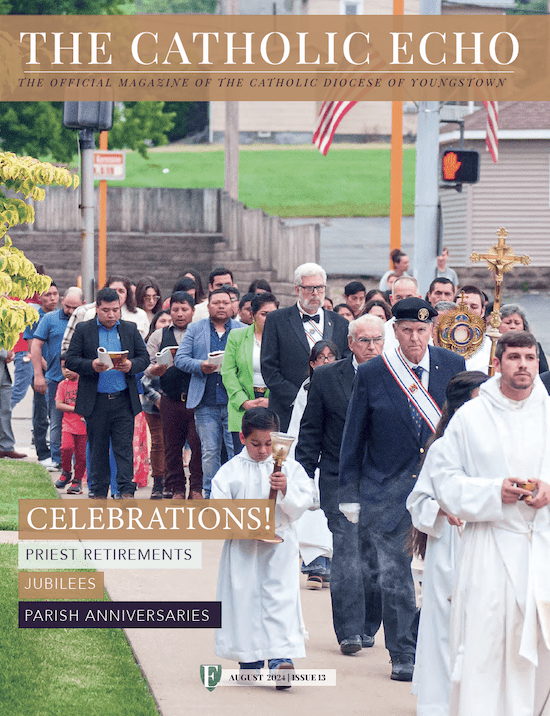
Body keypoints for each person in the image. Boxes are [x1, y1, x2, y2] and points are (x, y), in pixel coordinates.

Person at [339, 297, 466, 682]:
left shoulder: (453, 366)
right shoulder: (376, 372)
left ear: (432, 331)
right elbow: (354, 435)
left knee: (443, 574)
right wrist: (349, 492)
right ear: (394, 330)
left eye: (422, 330)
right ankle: (404, 653)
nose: (415, 338)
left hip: (440, 491)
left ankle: (426, 639)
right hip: (386, 490)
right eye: (407, 330)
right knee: (396, 575)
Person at [429, 331, 550, 716]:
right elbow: (443, 481)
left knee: (538, 651)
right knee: (485, 645)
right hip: (490, 546)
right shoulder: (471, 417)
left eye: (530, 358)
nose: (523, 366)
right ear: (497, 363)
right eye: (514, 357)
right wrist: (493, 492)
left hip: (541, 547)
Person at [296, 315, 385, 654]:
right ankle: (348, 631)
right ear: (350, 344)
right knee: (347, 552)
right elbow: (310, 432)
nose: (372, 346)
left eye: (377, 340)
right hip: (338, 476)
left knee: (374, 554)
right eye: (364, 340)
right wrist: (302, 480)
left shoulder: (395, 376)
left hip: (381, 482)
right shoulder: (326, 377)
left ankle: (367, 625)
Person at [406, 370, 489, 716]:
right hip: (450, 546)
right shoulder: (443, 447)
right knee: (444, 625)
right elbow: (418, 501)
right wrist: (440, 508)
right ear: (461, 407)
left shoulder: (494, 444)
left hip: (487, 542)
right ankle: (438, 701)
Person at [211, 407, 313, 686]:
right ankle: (250, 657)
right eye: (256, 444)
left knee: (280, 599)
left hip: (280, 544)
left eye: (269, 444)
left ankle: (281, 660)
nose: (263, 450)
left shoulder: (288, 467)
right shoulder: (230, 471)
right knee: (245, 600)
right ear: (243, 438)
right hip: (243, 547)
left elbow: (305, 500)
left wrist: (285, 490)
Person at [65, 287, 150, 499]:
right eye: (105, 310)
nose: (111, 315)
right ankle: (99, 491)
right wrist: (91, 365)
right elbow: (71, 360)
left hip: (123, 399)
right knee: (98, 448)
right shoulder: (84, 330)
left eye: (115, 310)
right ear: (97, 308)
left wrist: (131, 365)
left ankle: (126, 491)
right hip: (96, 401)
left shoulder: (130, 330)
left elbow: (145, 358)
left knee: (123, 448)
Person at [261, 262, 350, 431]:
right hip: (287, 409)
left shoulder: (341, 323)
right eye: (309, 288)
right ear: (297, 289)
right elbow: (269, 367)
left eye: (319, 287)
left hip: (331, 412)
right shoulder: (276, 320)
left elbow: (345, 364)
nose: (315, 293)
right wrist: (299, 398)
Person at [174, 287, 242, 498]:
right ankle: (211, 493)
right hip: (206, 401)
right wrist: (201, 365)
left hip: (234, 401)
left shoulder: (242, 329)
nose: (221, 306)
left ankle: (236, 494)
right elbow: (180, 359)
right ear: (208, 306)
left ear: (233, 306)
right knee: (210, 451)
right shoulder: (195, 329)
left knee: (236, 451)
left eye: (225, 302)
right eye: (216, 302)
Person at [147, 291, 203, 500]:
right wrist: (154, 370)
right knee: (172, 446)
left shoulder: (200, 333)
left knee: (197, 444)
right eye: (175, 310)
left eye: (184, 309)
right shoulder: (159, 335)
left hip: (196, 399)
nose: (180, 314)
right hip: (170, 398)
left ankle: (196, 487)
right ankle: (177, 488)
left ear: (193, 311)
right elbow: (146, 365)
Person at [30, 287, 85, 471]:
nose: (70, 311)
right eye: (67, 306)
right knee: (56, 420)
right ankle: (57, 459)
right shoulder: (50, 319)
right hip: (55, 378)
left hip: (81, 381)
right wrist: (39, 374)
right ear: (62, 301)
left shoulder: (85, 320)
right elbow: (35, 346)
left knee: (80, 420)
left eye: (74, 307)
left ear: (83, 305)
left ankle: (80, 460)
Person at [221, 292, 279, 456]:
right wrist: (243, 401)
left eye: (273, 314)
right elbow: (228, 371)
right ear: (253, 315)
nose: (268, 318)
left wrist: (272, 401)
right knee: (242, 456)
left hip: (271, 402)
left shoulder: (282, 338)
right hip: (243, 403)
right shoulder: (237, 336)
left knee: (270, 457)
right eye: (264, 314)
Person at [23, 282, 59, 469]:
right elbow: (32, 346)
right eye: (47, 294)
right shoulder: (34, 318)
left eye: (55, 293)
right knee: (41, 414)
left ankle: (58, 453)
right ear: (39, 297)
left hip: (61, 374)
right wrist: (47, 368)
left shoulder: (63, 316)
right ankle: (43, 453)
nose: (52, 298)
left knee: (59, 415)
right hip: (43, 373)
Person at [54, 357, 87, 494]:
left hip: (83, 426)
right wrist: (76, 409)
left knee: (81, 455)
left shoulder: (85, 384)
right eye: (63, 368)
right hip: (67, 424)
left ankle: (77, 481)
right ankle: (66, 471)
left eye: (69, 367)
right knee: (65, 447)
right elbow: (58, 404)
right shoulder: (63, 385)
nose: (66, 371)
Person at [499, 303, 549, 373]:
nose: (512, 326)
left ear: (523, 326)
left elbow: (544, 373)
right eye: (508, 323)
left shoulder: (534, 346)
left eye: (517, 323)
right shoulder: (491, 346)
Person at [0, 349, 26, 459]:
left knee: (5, 410)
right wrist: (5, 353)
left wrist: (9, 352)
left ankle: (6, 447)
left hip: (3, 373)